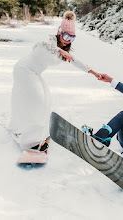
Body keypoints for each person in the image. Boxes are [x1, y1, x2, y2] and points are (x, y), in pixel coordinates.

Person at [8, 11, 101, 151]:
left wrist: (94, 72)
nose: (67, 40)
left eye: (71, 37)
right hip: (24, 70)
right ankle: (30, 142)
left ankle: (20, 128)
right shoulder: (50, 40)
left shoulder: (64, 48)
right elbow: (40, 43)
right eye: (65, 35)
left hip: (33, 73)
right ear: (59, 32)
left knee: (46, 99)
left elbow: (76, 61)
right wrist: (59, 50)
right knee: (39, 102)